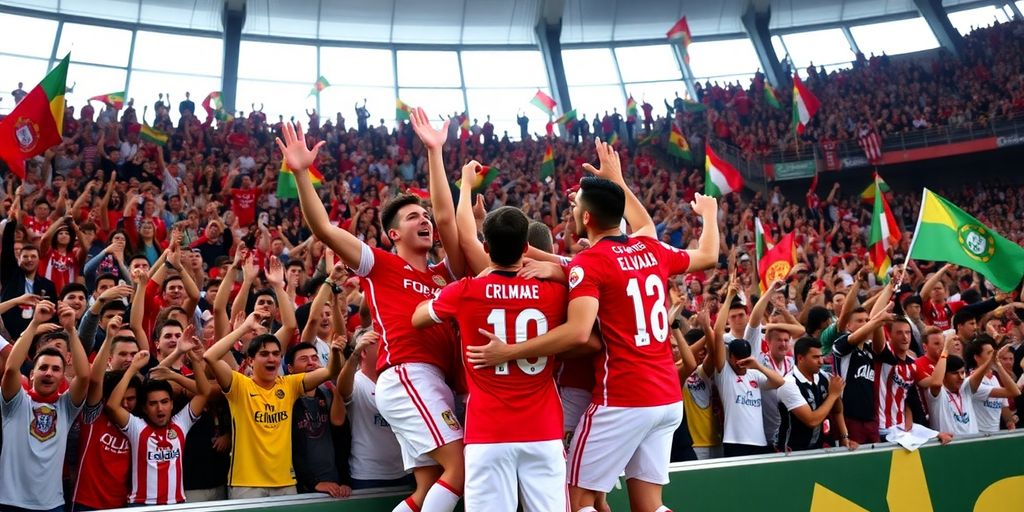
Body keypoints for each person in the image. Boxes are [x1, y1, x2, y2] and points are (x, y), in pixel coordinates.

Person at [468, 140, 720, 512]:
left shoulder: (591, 263)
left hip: (623, 397)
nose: (572, 212)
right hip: (667, 397)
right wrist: (710, 215)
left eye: (574, 208)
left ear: (586, 218)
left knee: (575, 499)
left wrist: (509, 350)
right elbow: (707, 253)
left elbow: (577, 333)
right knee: (649, 505)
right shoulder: (651, 248)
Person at [277, 110, 468, 512]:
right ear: (393, 233)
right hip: (408, 374)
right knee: (462, 467)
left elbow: (447, 213)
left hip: (433, 381)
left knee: (429, 486)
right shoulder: (380, 263)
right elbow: (325, 230)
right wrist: (299, 174)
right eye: (413, 216)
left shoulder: (443, 274)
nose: (426, 220)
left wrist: (436, 152)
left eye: (425, 216)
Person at [412, 201, 572, 511]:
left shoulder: (466, 291)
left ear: (486, 247)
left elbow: (418, 318)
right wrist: (557, 270)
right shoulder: (554, 292)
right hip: (543, 430)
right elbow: (586, 276)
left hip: (488, 432)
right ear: (526, 247)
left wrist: (475, 281)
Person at [203, 312, 343, 499]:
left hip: (285, 483)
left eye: (276, 354)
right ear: (251, 360)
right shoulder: (239, 385)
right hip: (247, 484)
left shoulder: (289, 385)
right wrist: (245, 327)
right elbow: (210, 356)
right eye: (264, 354)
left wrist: (334, 351)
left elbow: (330, 372)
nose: (272, 359)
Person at [0, 301, 90, 511]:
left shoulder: (66, 406)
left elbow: (84, 376)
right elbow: (12, 368)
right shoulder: (16, 402)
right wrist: (34, 324)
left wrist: (71, 330)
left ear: (62, 376)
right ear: (32, 374)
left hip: (51, 505)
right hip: (9, 502)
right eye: (43, 368)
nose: (49, 373)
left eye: (56, 369)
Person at [105, 335, 211, 506]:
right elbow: (112, 406)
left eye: (164, 402)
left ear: (171, 404)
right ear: (144, 408)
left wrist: (194, 363)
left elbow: (204, 392)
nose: (160, 408)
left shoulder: (180, 424)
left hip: (176, 504)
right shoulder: (136, 427)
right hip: (141, 505)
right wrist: (132, 369)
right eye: (153, 404)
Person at [337, 329, 413, 491]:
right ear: (364, 352)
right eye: (381, 345)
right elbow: (342, 390)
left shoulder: (396, 380)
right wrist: (355, 353)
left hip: (403, 470)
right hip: (367, 474)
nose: (387, 349)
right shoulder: (357, 381)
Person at [286, 341, 352, 498]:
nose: (311, 362)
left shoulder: (328, 394)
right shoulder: (286, 400)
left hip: (335, 484)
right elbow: (292, 450)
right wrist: (312, 482)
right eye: (303, 359)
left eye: (315, 358)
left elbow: (342, 434)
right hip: (301, 487)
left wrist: (345, 480)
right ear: (290, 369)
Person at [777, 337, 855, 452]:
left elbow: (837, 410)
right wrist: (833, 395)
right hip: (793, 451)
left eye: (821, 356)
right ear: (800, 358)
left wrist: (844, 437)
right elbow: (811, 421)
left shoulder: (824, 377)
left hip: (821, 447)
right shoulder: (788, 384)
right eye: (815, 357)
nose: (821, 361)